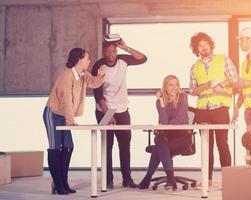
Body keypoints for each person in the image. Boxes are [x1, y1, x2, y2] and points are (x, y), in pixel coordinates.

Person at [43, 48, 105, 195]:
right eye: (87, 58)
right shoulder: (66, 76)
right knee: (55, 148)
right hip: (53, 114)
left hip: (65, 115)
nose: (89, 61)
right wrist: (70, 120)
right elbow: (66, 101)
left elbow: (94, 83)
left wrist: (101, 77)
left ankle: (63, 182)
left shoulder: (83, 74)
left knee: (68, 147)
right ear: (79, 60)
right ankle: (58, 184)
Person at [92, 36, 147, 189]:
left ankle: (127, 179)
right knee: (107, 145)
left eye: (113, 51)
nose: (111, 54)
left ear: (116, 51)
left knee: (124, 145)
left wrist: (126, 47)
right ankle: (108, 179)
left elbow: (143, 59)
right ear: (103, 52)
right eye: (107, 51)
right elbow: (98, 95)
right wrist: (108, 115)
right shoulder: (98, 66)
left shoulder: (123, 59)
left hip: (122, 110)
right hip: (104, 110)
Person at [189, 32, 239, 186]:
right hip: (202, 111)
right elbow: (192, 90)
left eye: (206, 44)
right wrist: (206, 85)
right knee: (206, 146)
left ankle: (229, 180)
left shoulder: (223, 59)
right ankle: (208, 180)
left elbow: (235, 80)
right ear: (196, 49)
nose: (204, 47)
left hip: (220, 108)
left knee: (222, 144)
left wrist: (221, 85)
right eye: (200, 45)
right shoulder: (195, 67)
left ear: (210, 45)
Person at [138, 75, 192, 190]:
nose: (174, 88)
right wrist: (162, 101)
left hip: (183, 138)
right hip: (167, 137)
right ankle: (170, 178)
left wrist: (165, 126)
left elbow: (177, 121)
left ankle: (148, 177)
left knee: (159, 146)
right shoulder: (159, 102)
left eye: (176, 84)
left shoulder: (183, 97)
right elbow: (163, 121)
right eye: (171, 85)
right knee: (159, 139)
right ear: (165, 87)